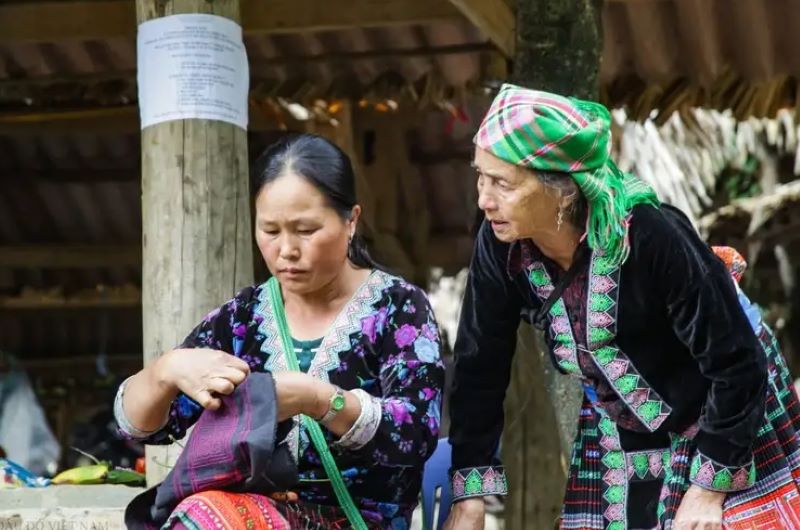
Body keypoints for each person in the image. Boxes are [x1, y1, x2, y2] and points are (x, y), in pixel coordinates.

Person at [444, 84, 800, 529]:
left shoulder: (651, 235)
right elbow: (481, 364)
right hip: (621, 424)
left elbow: (737, 363)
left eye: (502, 183)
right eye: (480, 176)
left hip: (725, 405)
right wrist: (471, 496)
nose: (484, 199)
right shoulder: (501, 245)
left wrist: (709, 490)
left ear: (563, 190)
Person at [115, 134, 445, 530]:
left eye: (305, 230)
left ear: (351, 220)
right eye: (270, 230)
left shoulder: (398, 308)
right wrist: (166, 371)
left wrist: (319, 399)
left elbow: (415, 432)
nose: (286, 249)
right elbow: (141, 427)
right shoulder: (243, 319)